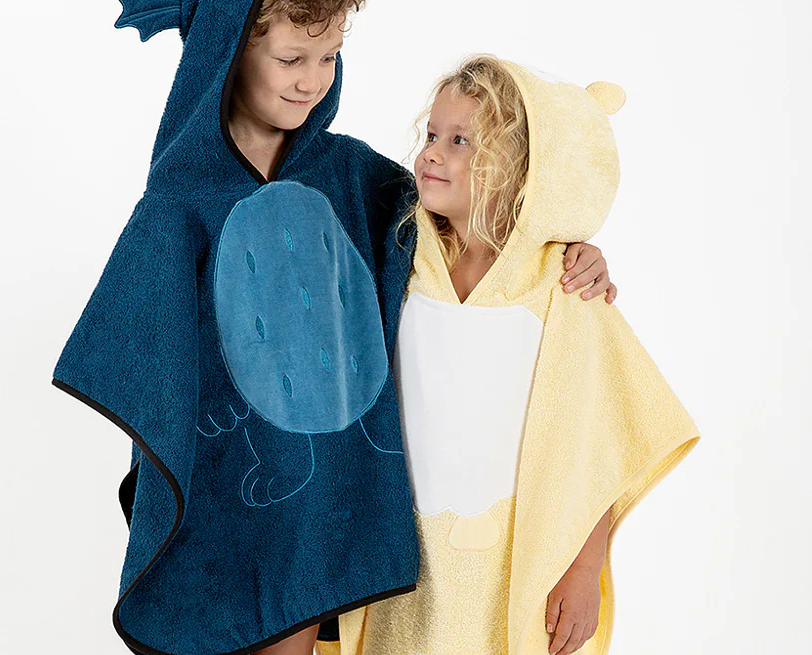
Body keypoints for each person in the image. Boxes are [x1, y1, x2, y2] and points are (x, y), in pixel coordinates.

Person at [52, 3, 617, 655]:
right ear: (228, 51)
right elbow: (149, 342)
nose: (311, 80)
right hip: (216, 483)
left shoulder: (353, 176)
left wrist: (564, 248)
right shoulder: (179, 199)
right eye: (291, 59)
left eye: (329, 57)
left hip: (315, 508)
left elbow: (472, 221)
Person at [317, 55, 700, 655]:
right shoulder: (401, 259)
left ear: (519, 166)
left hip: (513, 569)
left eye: (460, 141)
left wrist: (583, 568)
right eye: (431, 135)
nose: (431, 154)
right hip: (405, 570)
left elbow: (594, 441)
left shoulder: (561, 287)